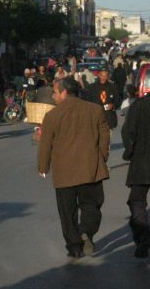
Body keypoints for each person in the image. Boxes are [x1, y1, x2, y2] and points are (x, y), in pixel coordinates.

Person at [38, 77, 111, 259]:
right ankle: (86, 230)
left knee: (67, 212)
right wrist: (101, 158)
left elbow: (45, 144)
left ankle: (74, 247)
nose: (53, 96)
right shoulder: (95, 110)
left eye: (55, 92)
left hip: (64, 173)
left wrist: (43, 166)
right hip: (91, 169)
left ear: (64, 92)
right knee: (92, 205)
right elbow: (104, 138)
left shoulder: (52, 115)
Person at [121, 92, 150, 257]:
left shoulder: (138, 105)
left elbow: (128, 132)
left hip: (142, 160)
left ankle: (143, 235)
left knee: (137, 201)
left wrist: (130, 153)